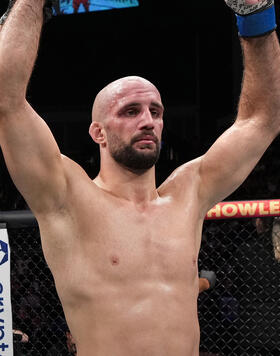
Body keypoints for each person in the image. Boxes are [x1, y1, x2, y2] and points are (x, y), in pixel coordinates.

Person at [0, 0, 279, 355]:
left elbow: (262, 119)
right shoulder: (67, 197)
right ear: (97, 132)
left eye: (155, 111)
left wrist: (254, 13)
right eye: (130, 111)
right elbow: (6, 100)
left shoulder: (189, 193)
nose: (147, 120)